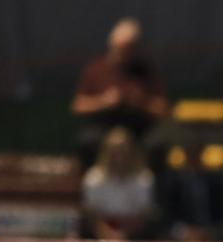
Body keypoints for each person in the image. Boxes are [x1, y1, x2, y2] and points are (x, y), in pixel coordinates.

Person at [71, 18, 168, 163]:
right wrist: (103, 102)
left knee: (158, 144)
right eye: (120, 47)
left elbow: (163, 109)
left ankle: (151, 184)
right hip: (104, 126)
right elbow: (78, 106)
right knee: (87, 141)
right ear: (111, 44)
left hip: (138, 127)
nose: (123, 52)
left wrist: (141, 102)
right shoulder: (96, 68)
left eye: (129, 47)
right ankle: (91, 184)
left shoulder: (145, 71)